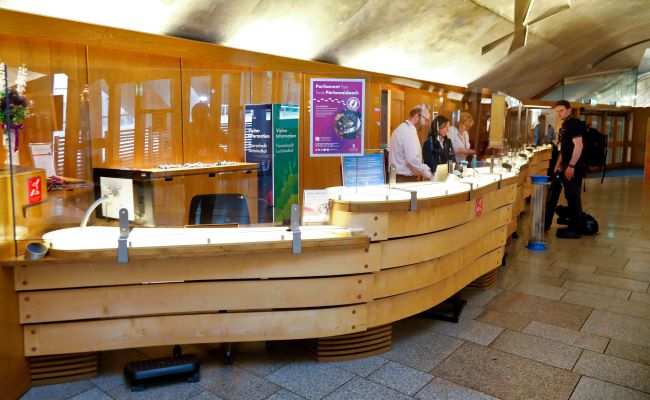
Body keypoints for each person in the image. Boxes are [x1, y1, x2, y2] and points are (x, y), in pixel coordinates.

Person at [553, 100, 586, 239]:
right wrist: (558, 164)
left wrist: (571, 166)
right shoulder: (566, 125)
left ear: (569, 110)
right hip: (567, 165)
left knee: (573, 196)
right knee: (570, 196)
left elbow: (579, 146)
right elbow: (565, 148)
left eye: (561, 110)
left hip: (574, 167)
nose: (558, 113)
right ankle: (573, 225)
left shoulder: (574, 124)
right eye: (557, 111)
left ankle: (576, 229)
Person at [388, 105, 432, 182]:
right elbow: (413, 160)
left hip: (396, 177)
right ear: (417, 116)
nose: (426, 124)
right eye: (426, 120)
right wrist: (429, 175)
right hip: (404, 179)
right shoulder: (409, 131)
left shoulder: (400, 128)